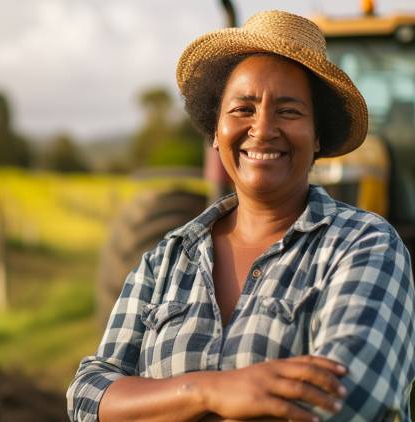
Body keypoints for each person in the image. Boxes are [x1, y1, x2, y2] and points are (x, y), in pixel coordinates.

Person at [67, 10, 415, 422]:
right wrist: (208, 391)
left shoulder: (366, 245)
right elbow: (88, 395)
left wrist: (153, 402)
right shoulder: (164, 260)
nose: (263, 128)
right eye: (242, 109)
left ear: (318, 135)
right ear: (215, 130)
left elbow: (343, 402)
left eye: (288, 111)